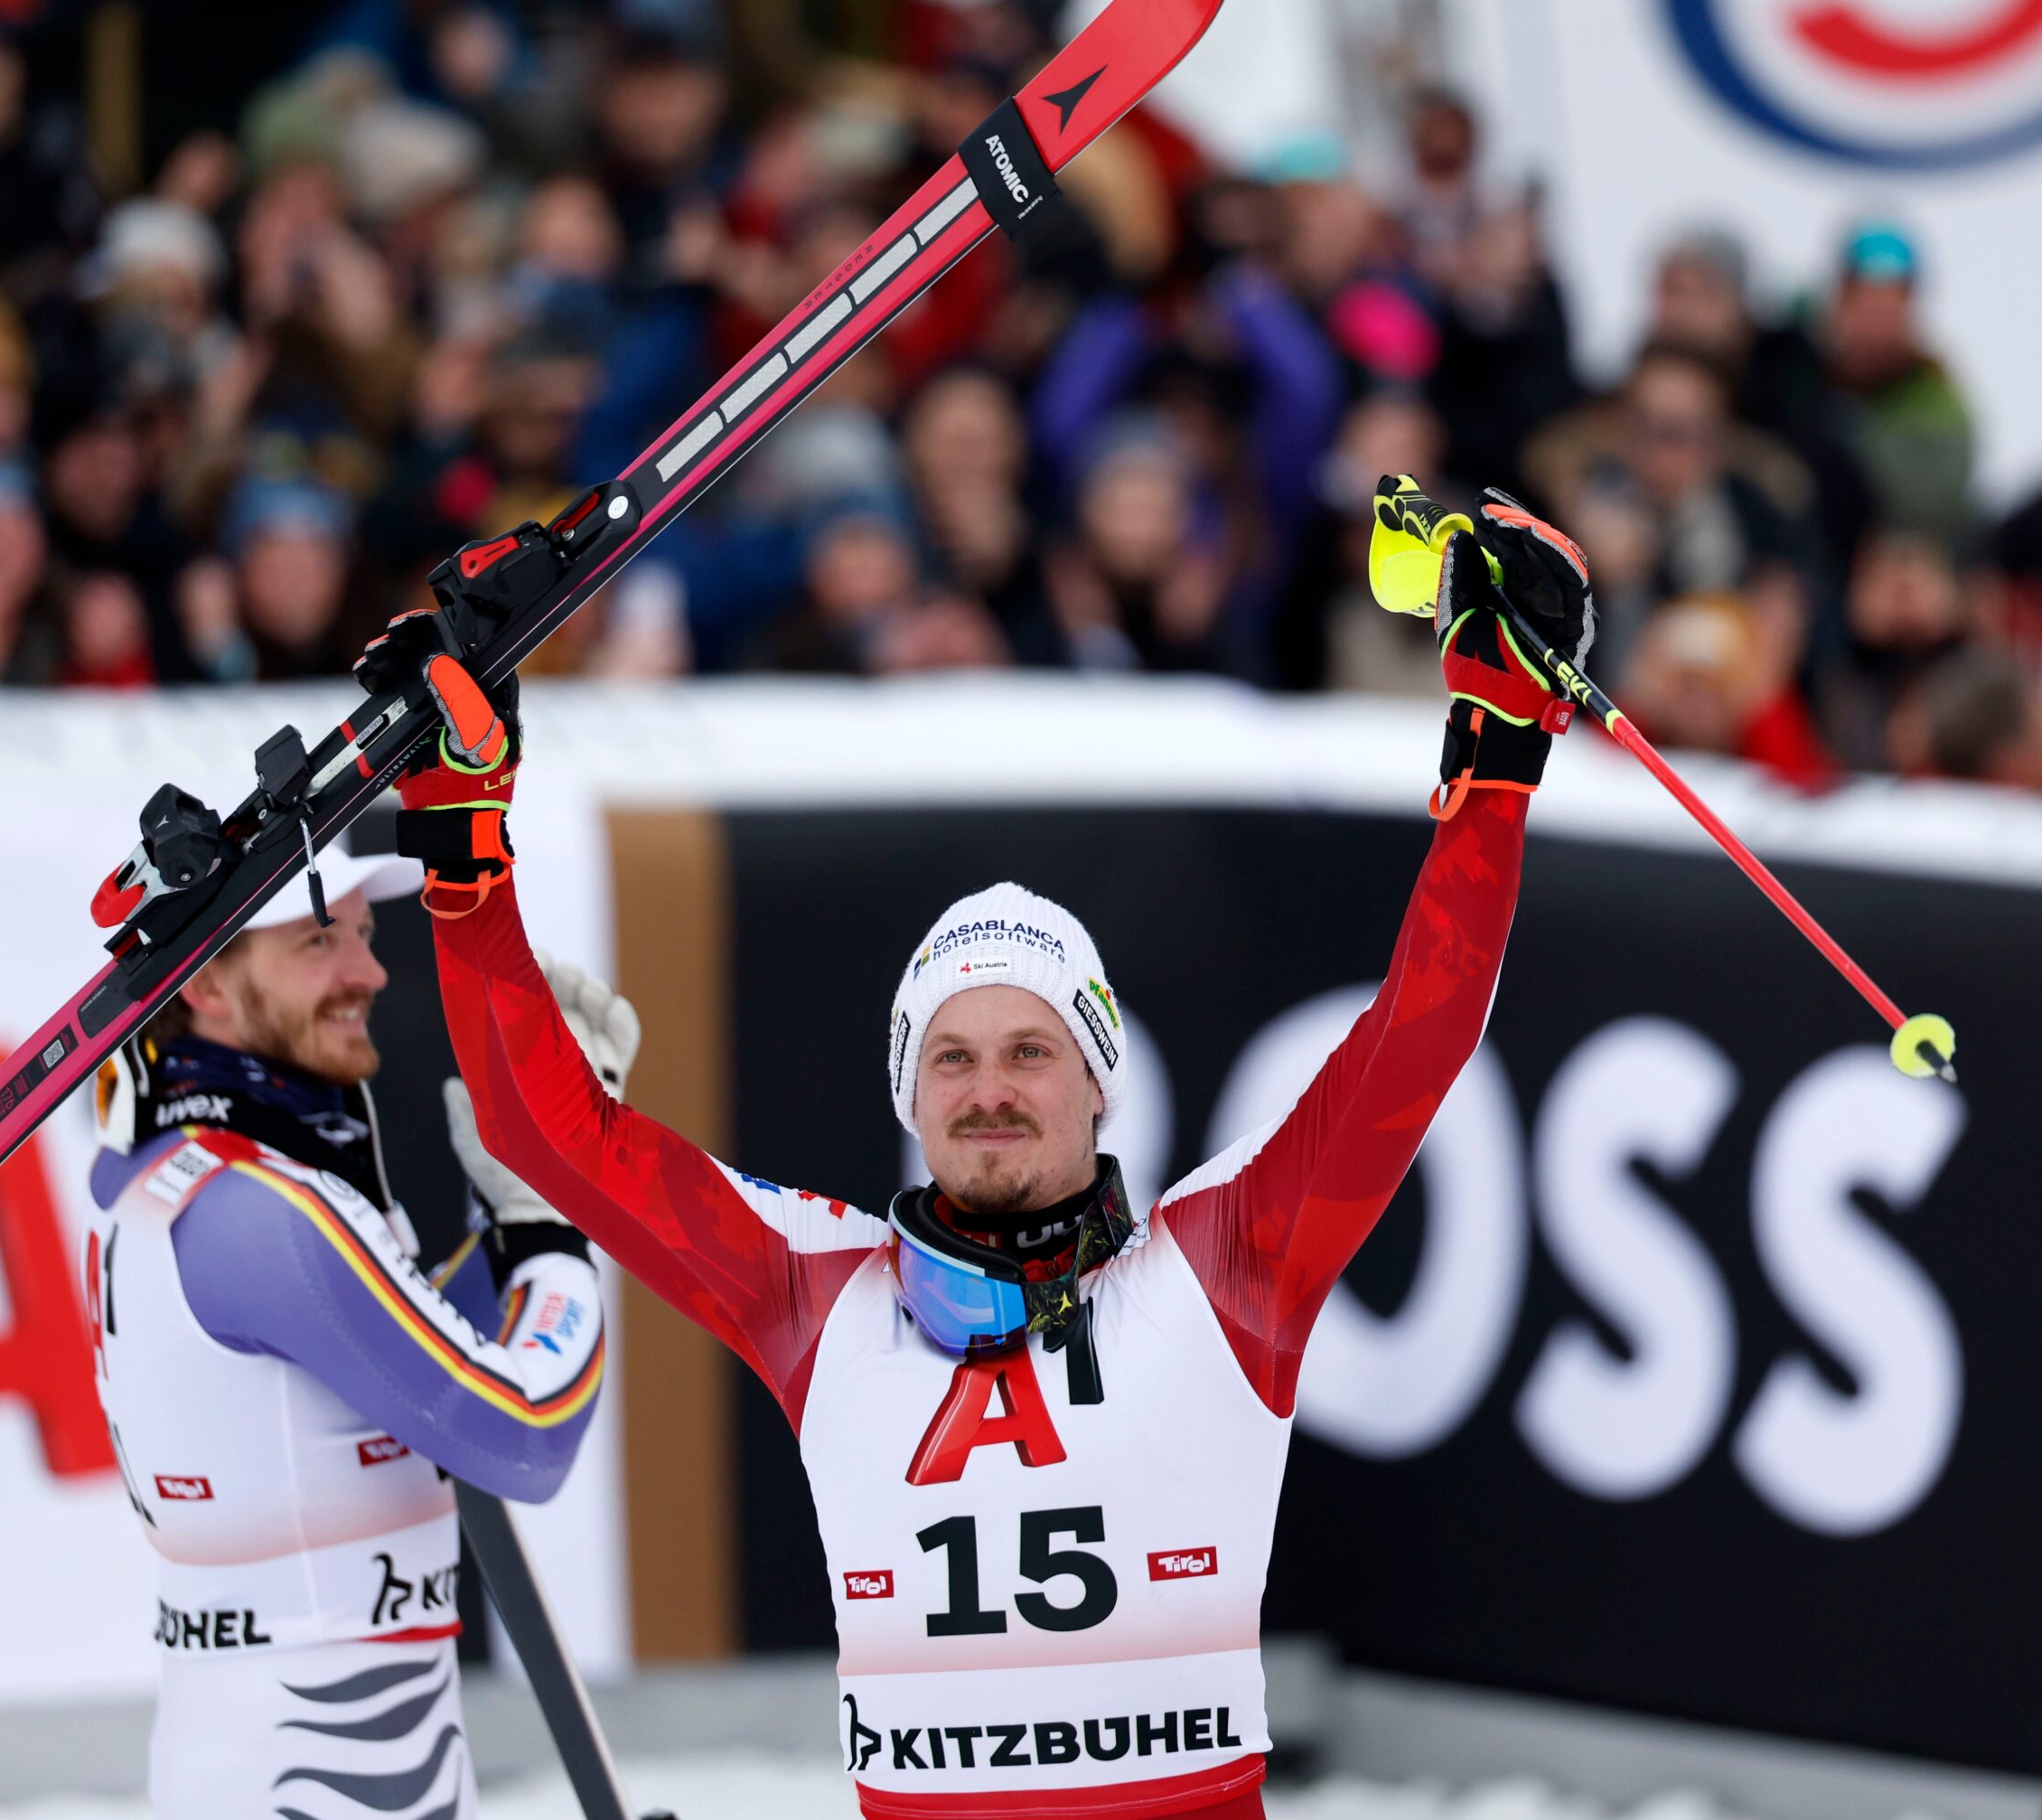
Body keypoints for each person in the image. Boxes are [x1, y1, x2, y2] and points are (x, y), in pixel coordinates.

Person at [366, 483, 1597, 1819]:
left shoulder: (1226, 1265)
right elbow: (546, 1132)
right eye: (950, 1057)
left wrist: (1496, 753)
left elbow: (1418, 1033)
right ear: (909, 1092)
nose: (990, 1090)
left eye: (1030, 1051)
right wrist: (464, 850)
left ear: (1102, 1083)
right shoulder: (815, 1289)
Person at [83, 847, 620, 1818]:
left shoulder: (198, 1171)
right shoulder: (264, 1211)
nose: (369, 972)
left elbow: (409, 1366)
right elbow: (523, 1433)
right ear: (205, 982)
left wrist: (524, 1199)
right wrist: (550, 1222)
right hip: (315, 1768)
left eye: (364, 936)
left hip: (339, 1751)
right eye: (320, 941)